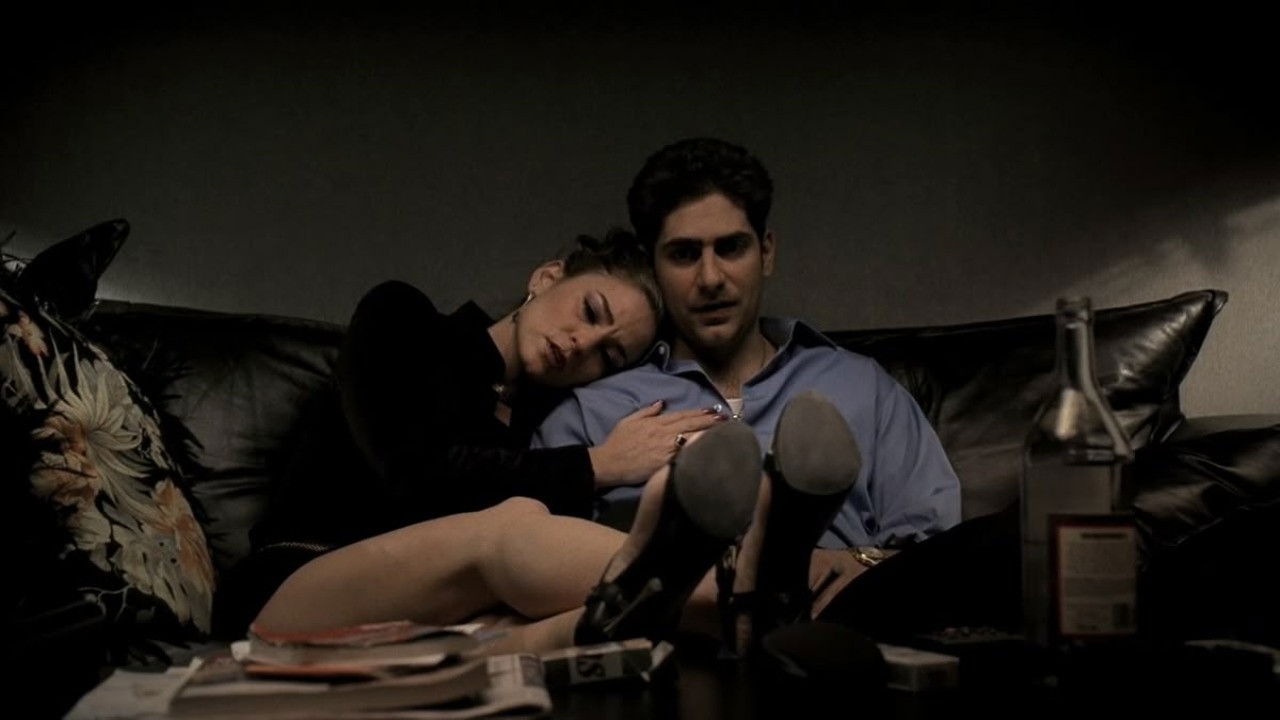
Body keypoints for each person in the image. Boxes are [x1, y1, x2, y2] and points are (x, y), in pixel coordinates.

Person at [218, 229, 723, 638]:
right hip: (291, 584)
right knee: (512, 522)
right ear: (548, 277)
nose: (583, 343)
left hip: (428, 615)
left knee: (557, 627)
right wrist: (600, 464)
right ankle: (728, 591)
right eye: (590, 312)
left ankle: (728, 603)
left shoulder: (539, 430)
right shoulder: (404, 319)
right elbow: (412, 472)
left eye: (607, 356)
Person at [532, 138, 961, 614]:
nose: (711, 278)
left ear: (766, 252)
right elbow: (536, 567)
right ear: (654, 267)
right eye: (684, 254)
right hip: (671, 629)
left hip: (843, 621)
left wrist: (854, 561)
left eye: (731, 247)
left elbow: (938, 546)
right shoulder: (590, 412)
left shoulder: (861, 386)